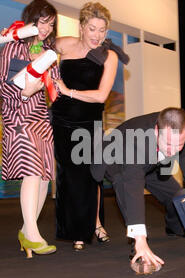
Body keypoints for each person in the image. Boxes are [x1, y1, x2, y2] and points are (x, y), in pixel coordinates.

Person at [51, 2, 129, 250]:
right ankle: (81, 226)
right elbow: (38, 55)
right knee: (68, 175)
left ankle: (88, 227)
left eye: (102, 30)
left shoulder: (109, 55)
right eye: (92, 28)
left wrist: (68, 91)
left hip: (88, 123)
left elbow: (101, 95)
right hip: (61, 120)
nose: (97, 35)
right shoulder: (64, 44)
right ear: (82, 27)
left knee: (89, 175)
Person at [90, 107, 185, 274]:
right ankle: (138, 247)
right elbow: (133, 187)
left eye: (177, 145)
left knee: (175, 196)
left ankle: (174, 227)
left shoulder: (184, 128)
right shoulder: (136, 145)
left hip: (150, 161)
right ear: (157, 130)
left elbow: (184, 153)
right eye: (168, 144)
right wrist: (141, 237)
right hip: (116, 160)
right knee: (125, 187)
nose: (172, 152)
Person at [0, 0, 60, 258]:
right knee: (33, 171)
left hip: (40, 117)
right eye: (42, 22)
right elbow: (3, 86)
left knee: (45, 175)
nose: (46, 29)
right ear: (31, 20)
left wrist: (44, 84)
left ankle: (26, 231)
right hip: (18, 116)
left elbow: (53, 84)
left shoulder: (48, 50)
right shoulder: (12, 45)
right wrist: (24, 91)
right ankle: (33, 234)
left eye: (51, 24)